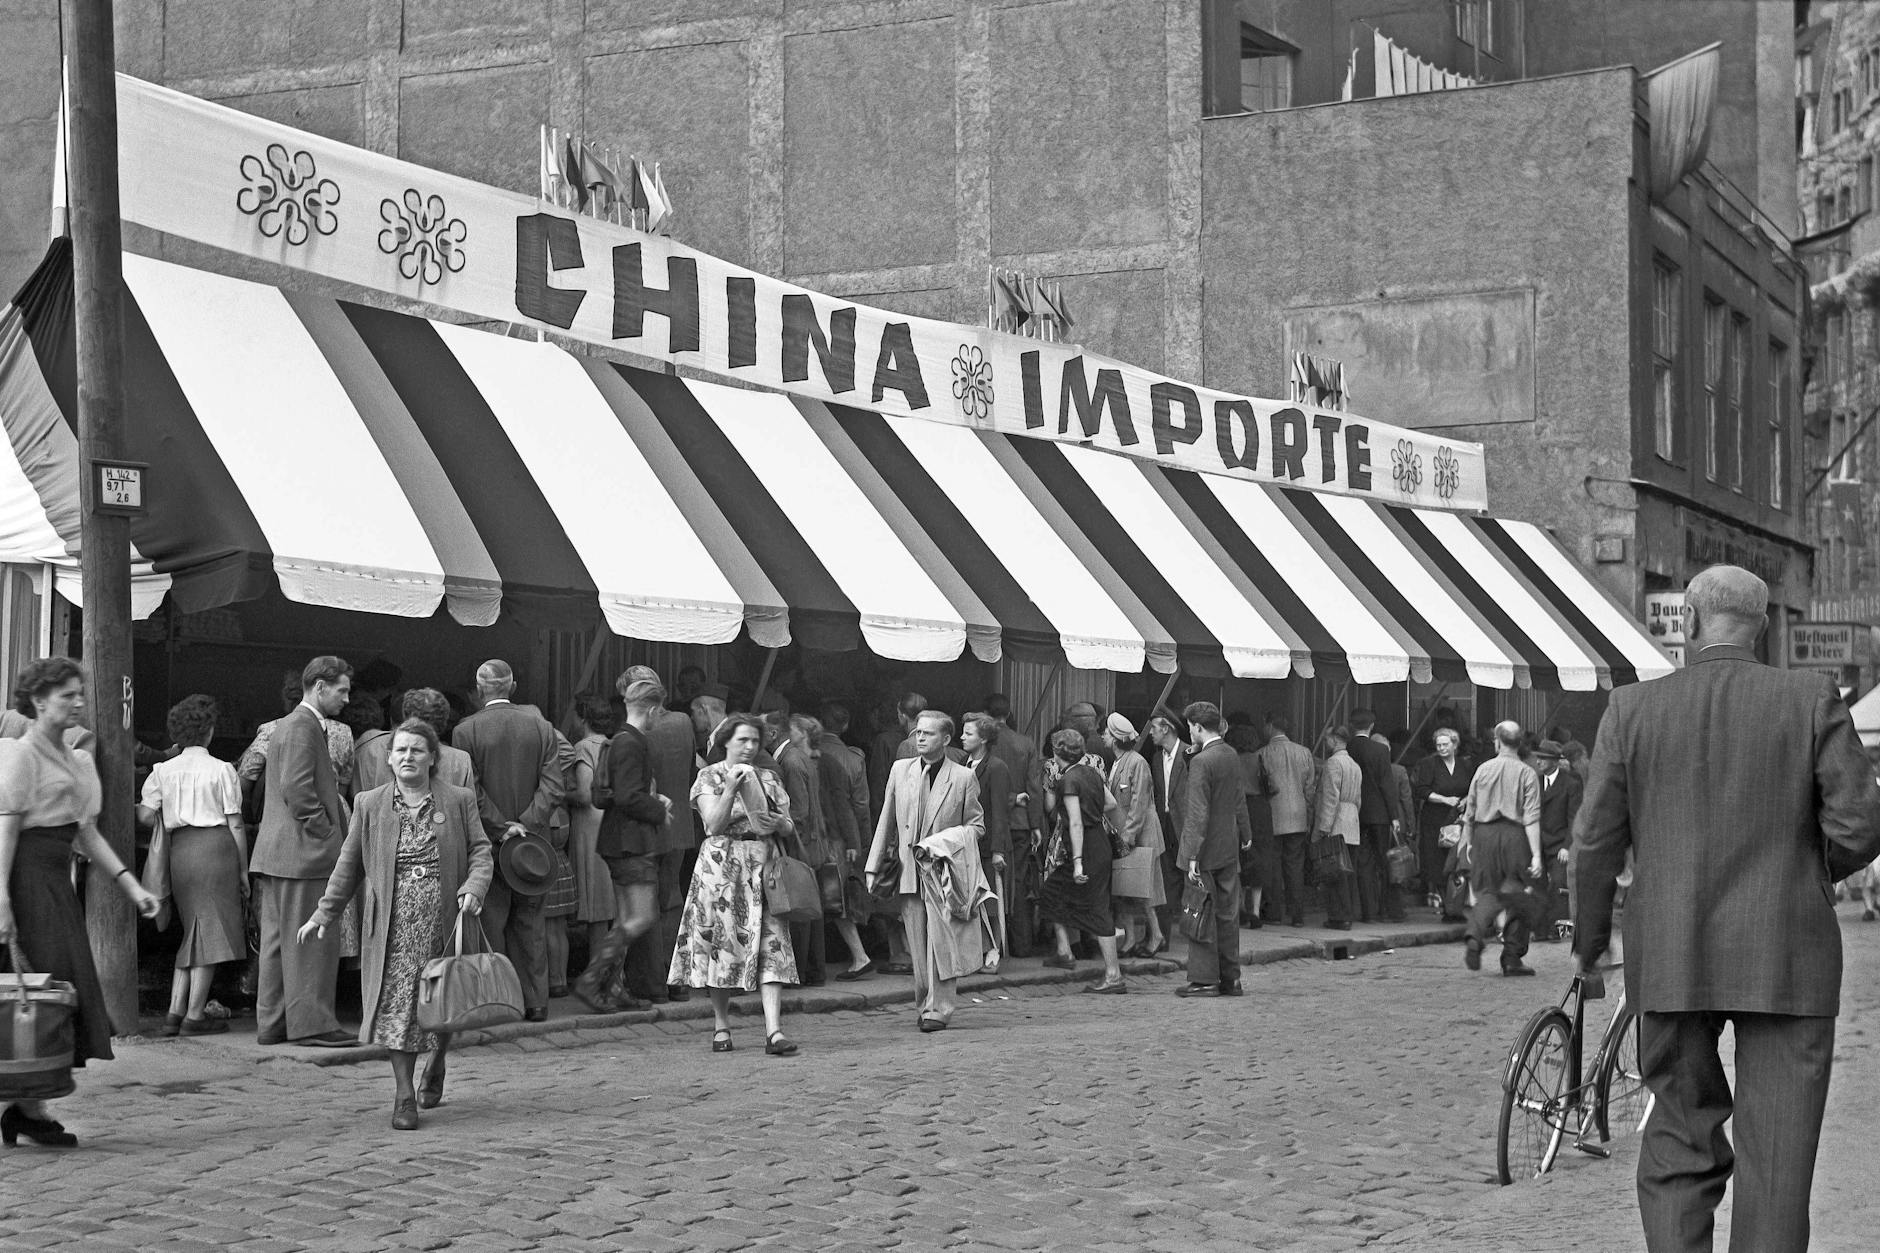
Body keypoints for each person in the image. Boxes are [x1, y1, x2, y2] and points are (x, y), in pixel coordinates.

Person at [1575, 565, 1880, 1253]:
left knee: (1678, 1139)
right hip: (1788, 955)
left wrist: (1591, 941)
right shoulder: (1808, 697)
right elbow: (1861, 822)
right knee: (1777, 1165)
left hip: (1673, 951)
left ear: (1687, 622)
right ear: (1764, 627)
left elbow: (1593, 841)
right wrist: (1803, 871)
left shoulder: (1632, 708)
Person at [297, 718, 493, 1131]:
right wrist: (324, 912)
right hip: (392, 928)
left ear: (432, 758)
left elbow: (480, 850)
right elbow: (348, 865)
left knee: (444, 1004)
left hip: (445, 923)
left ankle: (437, 1062)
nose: (407, 756)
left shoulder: (457, 799)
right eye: (401, 750)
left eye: (417, 750)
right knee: (397, 1010)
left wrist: (474, 887)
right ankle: (404, 1095)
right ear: (389, 758)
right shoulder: (370, 804)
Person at [0, 659, 161, 1147]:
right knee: (30, 986)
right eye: (67, 695)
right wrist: (1, 901)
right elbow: (5, 831)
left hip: (53, 882)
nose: (76, 702)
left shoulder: (75, 757)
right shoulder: (23, 756)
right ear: (38, 700)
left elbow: (85, 831)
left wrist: (131, 885)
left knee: (47, 987)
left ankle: (29, 1106)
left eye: (78, 694)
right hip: (24, 877)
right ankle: (27, 1106)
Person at [671, 715, 800, 1056]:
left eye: (755, 741)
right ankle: (721, 1024)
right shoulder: (708, 777)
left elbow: (788, 822)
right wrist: (730, 787)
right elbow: (712, 824)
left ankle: (774, 1031)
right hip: (722, 865)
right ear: (725, 741)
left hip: (763, 864)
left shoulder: (769, 777)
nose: (750, 747)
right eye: (743, 740)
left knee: (771, 942)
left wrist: (780, 824)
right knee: (721, 943)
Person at [250, 656, 357, 1048]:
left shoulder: (291, 725)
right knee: (312, 941)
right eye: (342, 690)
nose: (346, 698)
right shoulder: (302, 726)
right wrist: (327, 835)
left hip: (282, 852)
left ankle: (274, 1023)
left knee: (278, 944)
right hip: (303, 852)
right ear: (320, 686)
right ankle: (312, 1025)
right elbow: (299, 791)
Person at [451, 660, 563, 1023]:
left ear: (479, 689)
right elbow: (554, 786)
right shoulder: (541, 726)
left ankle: (500, 1000)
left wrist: (502, 827)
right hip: (534, 847)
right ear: (513, 685)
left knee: (491, 920)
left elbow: (471, 788)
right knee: (531, 924)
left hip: (489, 842)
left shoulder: (465, 730)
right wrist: (526, 825)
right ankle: (536, 1002)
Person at [866, 710, 990, 1028]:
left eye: (928, 733)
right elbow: (886, 818)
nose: (920, 738)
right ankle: (924, 1002)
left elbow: (976, 826)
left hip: (942, 872)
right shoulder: (900, 770)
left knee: (941, 941)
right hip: (908, 870)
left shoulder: (963, 778)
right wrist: (873, 866)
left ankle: (940, 1008)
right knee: (917, 945)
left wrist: (946, 841)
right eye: (918, 733)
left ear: (946, 740)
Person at [137, 695, 247, 1037]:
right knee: (210, 933)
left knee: (194, 930)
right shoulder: (223, 770)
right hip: (217, 851)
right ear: (210, 732)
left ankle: (175, 1012)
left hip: (180, 851)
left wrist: (162, 819)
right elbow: (236, 825)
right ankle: (194, 1015)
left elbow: (143, 813)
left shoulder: (162, 771)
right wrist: (243, 870)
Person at [572, 680, 670, 1012]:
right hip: (632, 840)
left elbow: (603, 796)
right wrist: (658, 809)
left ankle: (612, 989)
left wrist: (647, 800)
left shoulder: (615, 742)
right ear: (654, 710)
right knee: (641, 917)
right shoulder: (633, 744)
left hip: (616, 840)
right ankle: (591, 982)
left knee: (626, 918)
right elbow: (628, 797)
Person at [615, 666, 700, 1006]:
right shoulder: (682, 722)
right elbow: (692, 770)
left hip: (645, 828)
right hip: (679, 826)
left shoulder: (635, 731)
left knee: (643, 905)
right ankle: (676, 978)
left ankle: (651, 984)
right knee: (672, 901)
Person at [1175, 702, 1250, 998]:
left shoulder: (1202, 762)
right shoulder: (1230, 754)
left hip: (1204, 848)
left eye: (1189, 727)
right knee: (1228, 915)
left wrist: (1191, 853)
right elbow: (1238, 798)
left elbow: (1196, 812)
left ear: (1196, 726)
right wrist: (1246, 832)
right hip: (1228, 843)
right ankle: (1232, 978)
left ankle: (1205, 979)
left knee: (1200, 911)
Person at [1460, 720, 1543, 977]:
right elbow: (1531, 817)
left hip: (1484, 835)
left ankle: (1474, 934)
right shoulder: (1527, 773)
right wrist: (1537, 854)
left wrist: (1468, 842)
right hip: (1514, 836)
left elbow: (1470, 810)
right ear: (1520, 743)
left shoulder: (1483, 769)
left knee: (1488, 890)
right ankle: (1512, 957)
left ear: (1497, 741)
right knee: (1520, 894)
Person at [815, 703, 876, 980]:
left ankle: (855, 956)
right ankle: (855, 956)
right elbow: (861, 805)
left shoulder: (814, 757)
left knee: (833, 897)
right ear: (846, 726)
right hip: (846, 834)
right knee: (838, 896)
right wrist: (861, 841)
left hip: (828, 836)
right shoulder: (853, 758)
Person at [1104, 713, 1166, 958]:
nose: (1104, 736)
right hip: (1124, 835)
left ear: (1117, 738)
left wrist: (1128, 837)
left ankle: (1157, 935)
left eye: (1107, 733)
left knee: (1144, 891)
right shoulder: (1119, 762)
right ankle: (1130, 939)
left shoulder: (1137, 762)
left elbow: (1139, 802)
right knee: (1125, 890)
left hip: (1140, 835)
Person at [774, 713, 829, 988]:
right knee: (812, 910)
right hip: (813, 842)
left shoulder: (791, 760)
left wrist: (779, 826)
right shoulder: (800, 757)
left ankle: (801, 973)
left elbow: (800, 811)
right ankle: (815, 971)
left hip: (801, 844)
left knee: (800, 910)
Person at [561, 696, 617, 965]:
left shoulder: (583, 747)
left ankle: (598, 977)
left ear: (582, 718)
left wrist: (559, 794)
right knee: (612, 908)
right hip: (613, 825)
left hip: (591, 830)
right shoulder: (616, 744)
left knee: (596, 909)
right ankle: (615, 976)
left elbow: (585, 794)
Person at [984, 694, 1040, 954]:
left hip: (990, 821)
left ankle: (991, 946)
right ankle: (1021, 945)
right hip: (1020, 822)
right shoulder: (1025, 743)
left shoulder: (985, 742)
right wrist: (1036, 824)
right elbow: (1034, 786)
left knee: (987, 882)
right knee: (1018, 882)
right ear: (1009, 713)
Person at [1251, 712, 1316, 928]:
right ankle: (1297, 915)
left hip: (1272, 817)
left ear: (1270, 726)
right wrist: (1308, 815)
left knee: (1273, 866)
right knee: (1295, 866)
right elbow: (1310, 789)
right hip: (1298, 816)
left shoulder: (1262, 754)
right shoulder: (1304, 752)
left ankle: (1274, 913)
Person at [960, 712, 1014, 957]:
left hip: (989, 846)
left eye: (968, 733)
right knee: (971, 900)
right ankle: (978, 949)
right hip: (966, 845)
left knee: (991, 900)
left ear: (983, 739)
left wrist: (998, 850)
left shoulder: (996, 767)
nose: (962, 737)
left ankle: (994, 950)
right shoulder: (963, 763)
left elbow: (1000, 812)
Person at [1346, 709, 1403, 923]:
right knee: (1384, 862)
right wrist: (1394, 816)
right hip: (1379, 813)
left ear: (1352, 726)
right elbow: (1386, 784)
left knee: (1361, 863)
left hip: (1355, 813)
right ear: (1372, 726)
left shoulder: (1347, 748)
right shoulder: (1380, 750)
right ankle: (1390, 910)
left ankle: (1366, 912)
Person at [1412, 728, 1473, 907]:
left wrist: (1465, 800)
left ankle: (1455, 895)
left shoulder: (1465, 764)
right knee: (1434, 856)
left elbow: (1473, 788)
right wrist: (1445, 800)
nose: (1441, 748)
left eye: (1445, 744)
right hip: (1434, 817)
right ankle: (1435, 892)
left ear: (1455, 744)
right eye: (1438, 745)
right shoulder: (1429, 763)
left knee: (1455, 855)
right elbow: (1421, 790)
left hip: (1457, 817)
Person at [1312, 726, 1363, 930]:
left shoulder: (1333, 763)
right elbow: (1358, 799)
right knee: (1347, 872)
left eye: (1327, 739)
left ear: (1335, 740)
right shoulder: (1354, 765)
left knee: (1334, 874)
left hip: (1336, 822)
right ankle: (1347, 914)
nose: (1325, 743)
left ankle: (1339, 917)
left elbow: (1330, 798)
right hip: (1352, 822)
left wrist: (1323, 827)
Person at [1529, 740, 1581, 941]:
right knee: (1538, 885)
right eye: (1538, 757)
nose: (1538, 761)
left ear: (1554, 761)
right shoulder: (1535, 781)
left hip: (1559, 844)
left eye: (1543, 758)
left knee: (1559, 885)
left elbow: (1574, 818)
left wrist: (1568, 846)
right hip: (1538, 844)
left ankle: (1560, 930)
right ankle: (1540, 930)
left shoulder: (1571, 784)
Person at [1144, 712, 1189, 935]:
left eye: (1154, 728)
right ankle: (1163, 935)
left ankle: (1192, 929)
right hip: (1164, 825)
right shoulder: (1155, 758)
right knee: (1166, 878)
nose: (1150, 732)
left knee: (1189, 877)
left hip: (1185, 825)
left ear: (1166, 729)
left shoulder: (1190, 754)